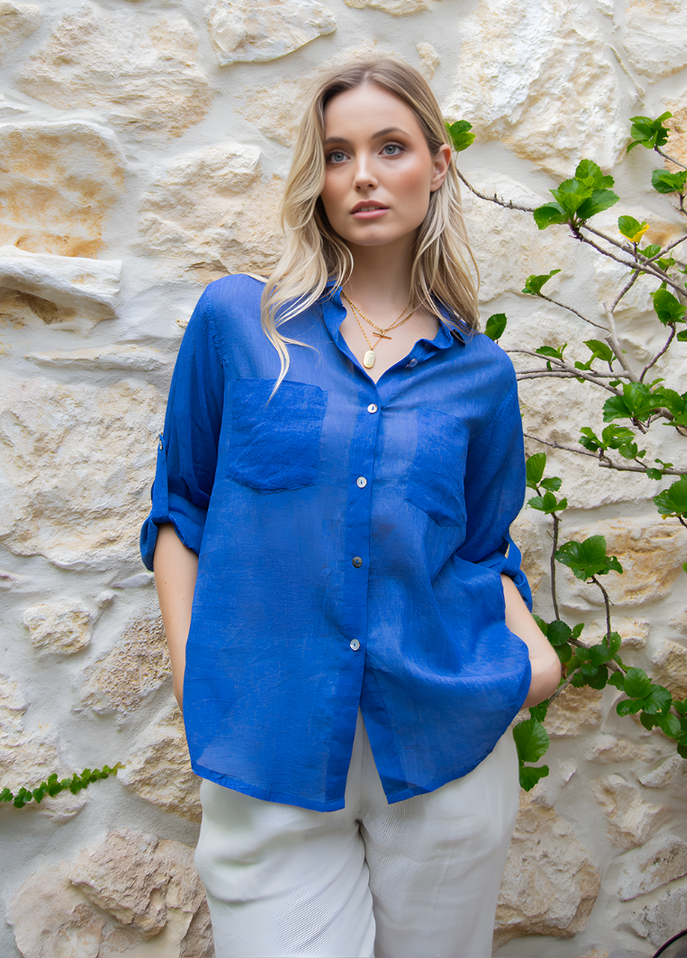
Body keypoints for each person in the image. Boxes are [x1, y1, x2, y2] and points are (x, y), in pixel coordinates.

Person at [140, 56, 562, 958]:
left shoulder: (480, 373)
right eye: (338, 155)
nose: (362, 174)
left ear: (438, 165)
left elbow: (481, 549)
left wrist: (538, 661)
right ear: (319, 178)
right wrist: (195, 680)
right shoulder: (240, 324)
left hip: (441, 750)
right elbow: (181, 512)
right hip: (269, 747)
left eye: (390, 147)